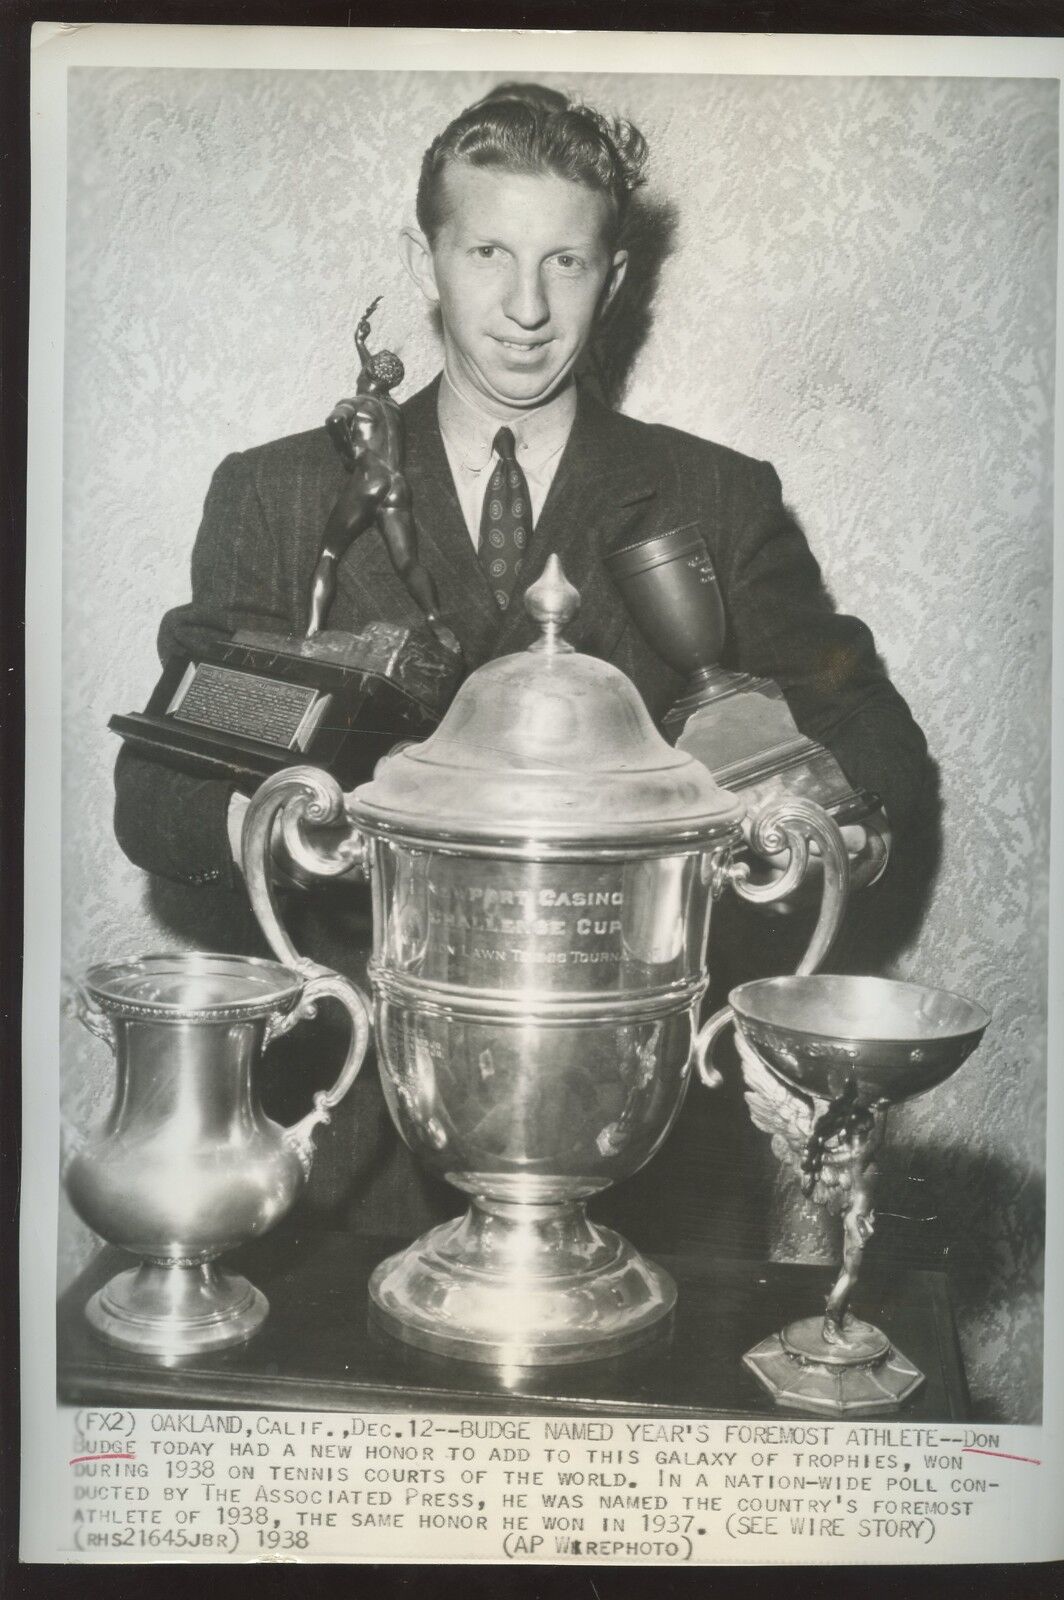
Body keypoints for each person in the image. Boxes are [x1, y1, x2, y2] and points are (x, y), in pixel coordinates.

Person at [112, 82, 931, 1240]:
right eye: (488, 250)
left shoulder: (716, 497)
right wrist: (287, 821)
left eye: (567, 263)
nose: (525, 308)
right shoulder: (282, 494)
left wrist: (829, 820)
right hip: (348, 1134)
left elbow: (875, 737)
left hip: (636, 1137)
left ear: (618, 276)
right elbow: (155, 794)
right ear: (425, 252)